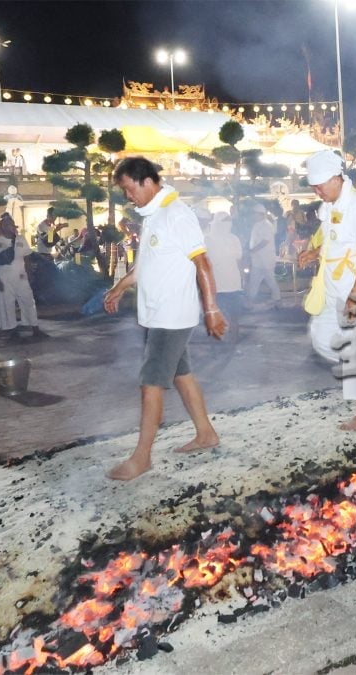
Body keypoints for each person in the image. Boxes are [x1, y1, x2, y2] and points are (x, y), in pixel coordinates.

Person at [103, 157, 226, 481]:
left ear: (146, 181)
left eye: (130, 189)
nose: (129, 196)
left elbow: (204, 264)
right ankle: (205, 433)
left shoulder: (177, 214)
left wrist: (212, 310)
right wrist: (120, 286)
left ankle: (141, 457)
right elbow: (147, 265)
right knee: (181, 374)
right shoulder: (154, 216)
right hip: (159, 313)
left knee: (151, 383)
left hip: (172, 316)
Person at [297, 150, 356, 430]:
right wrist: (314, 253)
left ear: (336, 178)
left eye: (320, 185)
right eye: (313, 186)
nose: (317, 191)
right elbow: (333, 240)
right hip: (332, 284)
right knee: (321, 336)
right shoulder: (331, 204)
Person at [0, 212, 47, 338]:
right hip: (4, 278)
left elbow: (27, 257)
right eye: (7, 224)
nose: (11, 226)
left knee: (28, 300)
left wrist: (30, 274)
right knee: (7, 303)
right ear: (2, 226)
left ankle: (34, 326)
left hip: (21, 276)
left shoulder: (20, 239)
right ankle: (11, 329)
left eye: (12, 224)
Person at [203, 212, 244, 343]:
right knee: (217, 317)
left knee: (234, 317)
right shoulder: (207, 239)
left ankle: (232, 345)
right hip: (216, 286)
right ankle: (217, 346)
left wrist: (243, 279)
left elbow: (239, 259)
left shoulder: (233, 239)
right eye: (225, 221)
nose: (228, 224)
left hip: (233, 285)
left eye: (229, 221)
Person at [244, 203, 280, 309]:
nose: (253, 216)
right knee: (254, 281)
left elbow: (265, 241)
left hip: (266, 260)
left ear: (260, 214)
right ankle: (249, 301)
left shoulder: (267, 225)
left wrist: (252, 250)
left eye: (254, 214)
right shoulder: (257, 224)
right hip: (257, 260)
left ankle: (277, 300)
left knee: (270, 280)